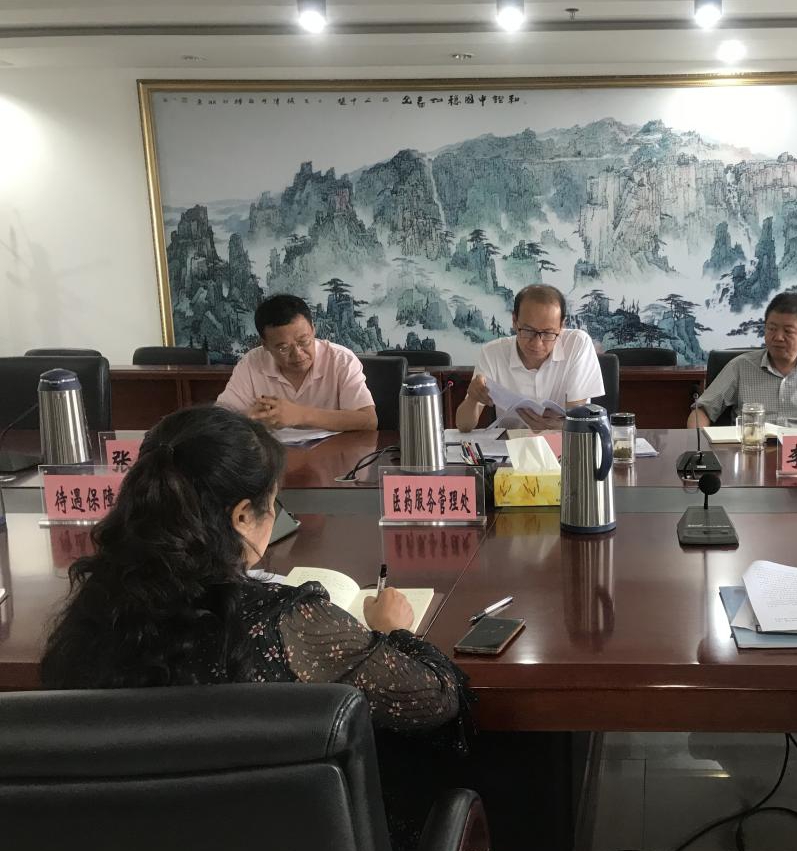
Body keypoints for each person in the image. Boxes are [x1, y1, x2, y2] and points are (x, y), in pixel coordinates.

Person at [40, 405, 472, 848]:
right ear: (242, 516)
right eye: (273, 503)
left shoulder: (92, 612)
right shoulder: (286, 623)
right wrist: (394, 633)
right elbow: (437, 698)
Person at [688, 292, 797, 428]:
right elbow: (702, 410)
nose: (778, 337)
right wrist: (701, 446)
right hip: (752, 450)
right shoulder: (740, 366)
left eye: (788, 331)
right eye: (771, 329)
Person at [217, 294, 377, 431]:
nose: (297, 354)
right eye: (283, 348)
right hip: (271, 453)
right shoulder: (251, 363)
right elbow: (218, 421)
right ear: (265, 344)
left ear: (313, 329)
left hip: (334, 453)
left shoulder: (341, 360)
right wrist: (250, 417)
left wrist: (300, 415)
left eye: (304, 341)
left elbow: (369, 421)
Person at [456, 284, 604, 432]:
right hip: (511, 445)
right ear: (515, 321)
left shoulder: (577, 344)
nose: (537, 343)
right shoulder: (492, 353)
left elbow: (579, 421)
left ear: (561, 326)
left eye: (548, 333)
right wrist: (473, 399)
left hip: (564, 442)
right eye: (528, 330)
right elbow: (464, 425)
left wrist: (558, 426)